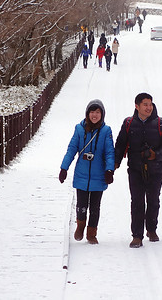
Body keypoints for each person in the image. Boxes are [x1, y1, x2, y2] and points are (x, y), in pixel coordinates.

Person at [114, 93, 162, 248]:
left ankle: (151, 229)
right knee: (137, 202)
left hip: (156, 170)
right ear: (137, 106)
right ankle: (137, 236)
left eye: (150, 104)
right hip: (135, 169)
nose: (149, 107)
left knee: (153, 200)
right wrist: (114, 164)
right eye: (145, 104)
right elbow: (121, 143)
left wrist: (157, 155)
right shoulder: (129, 123)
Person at [59, 99, 115, 244]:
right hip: (81, 175)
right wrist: (64, 168)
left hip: (99, 176)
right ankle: (80, 226)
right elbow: (71, 149)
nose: (95, 115)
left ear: (102, 114)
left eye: (98, 112)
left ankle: (92, 233)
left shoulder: (106, 131)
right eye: (92, 112)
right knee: (81, 205)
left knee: (95, 207)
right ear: (87, 113)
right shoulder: (79, 129)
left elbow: (109, 152)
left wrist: (109, 170)